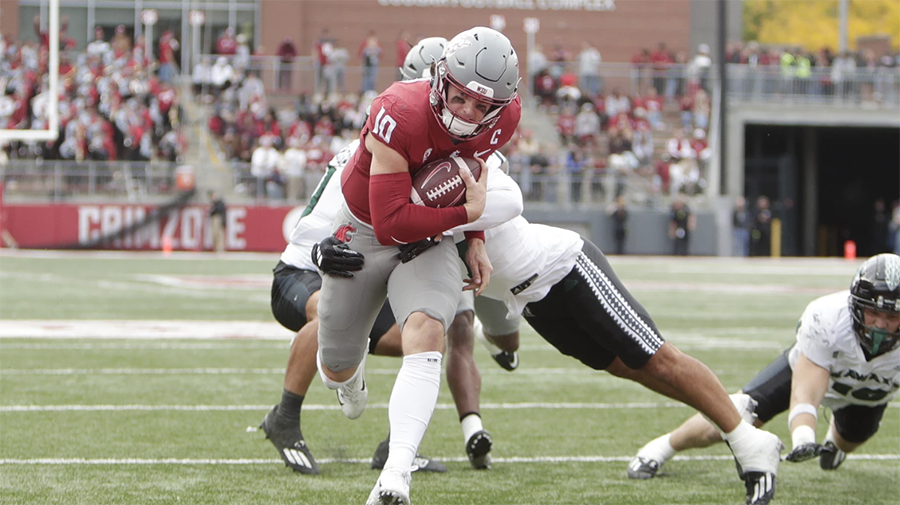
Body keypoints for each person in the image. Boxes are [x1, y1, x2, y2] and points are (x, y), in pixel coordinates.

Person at [320, 210, 785, 505]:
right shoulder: (393, 185)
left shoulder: (463, 164)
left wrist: (468, 226)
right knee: (631, 368)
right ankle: (733, 425)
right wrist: (327, 246)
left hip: (565, 268)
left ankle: (747, 441)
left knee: (656, 357)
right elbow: (360, 224)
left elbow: (501, 195)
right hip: (531, 301)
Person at [315, 27, 520, 505]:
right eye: (461, 98)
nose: (469, 114)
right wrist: (468, 217)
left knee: (429, 330)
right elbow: (389, 225)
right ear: (440, 79)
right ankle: (349, 380)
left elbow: (467, 176)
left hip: (430, 234)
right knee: (336, 367)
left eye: (482, 106)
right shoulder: (398, 109)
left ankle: (395, 475)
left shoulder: (504, 116)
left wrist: (474, 237)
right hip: (368, 228)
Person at [627, 253, 900, 487]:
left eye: (891, 316)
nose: (880, 325)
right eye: (873, 313)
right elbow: (805, 393)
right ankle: (663, 447)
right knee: (731, 414)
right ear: (855, 305)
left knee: (850, 440)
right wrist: (803, 438)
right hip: (809, 374)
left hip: (871, 395)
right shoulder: (828, 317)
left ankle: (836, 443)